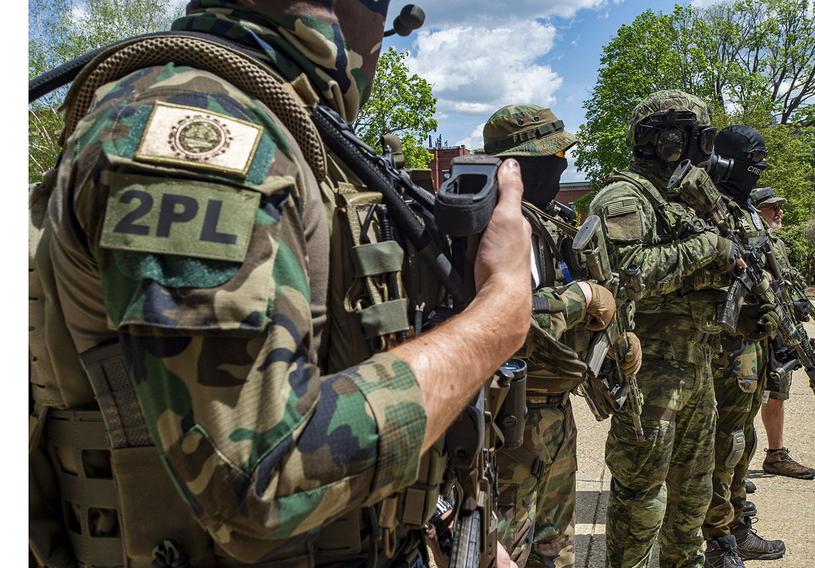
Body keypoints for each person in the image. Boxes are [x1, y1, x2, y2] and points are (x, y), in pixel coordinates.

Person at [28, 2, 531, 567]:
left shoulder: (293, 130)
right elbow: (261, 480)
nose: (382, 36)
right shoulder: (198, 128)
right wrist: (498, 316)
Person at [482, 104, 642, 567]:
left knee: (554, 551)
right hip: (509, 421)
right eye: (554, 156)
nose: (564, 164)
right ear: (520, 165)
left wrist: (617, 337)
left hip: (553, 410)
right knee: (504, 552)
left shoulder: (550, 221)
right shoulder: (498, 228)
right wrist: (585, 297)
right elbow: (513, 320)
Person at [588, 90, 742, 568]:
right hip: (651, 371)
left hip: (696, 363)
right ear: (669, 138)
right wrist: (709, 250)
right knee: (641, 496)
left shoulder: (688, 197)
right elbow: (626, 274)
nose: (703, 149)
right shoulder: (624, 197)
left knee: (695, 492)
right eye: (698, 136)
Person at [699, 126, 786, 568]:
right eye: (753, 163)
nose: (758, 172)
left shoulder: (746, 210)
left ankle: (736, 527)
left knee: (742, 441)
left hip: (750, 348)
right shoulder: (706, 209)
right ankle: (718, 541)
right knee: (722, 444)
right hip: (720, 349)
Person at [753, 187, 815, 480]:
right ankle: (730, 470)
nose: (779, 212)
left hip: (783, 327)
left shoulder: (776, 243)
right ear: (755, 211)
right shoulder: (749, 242)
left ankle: (776, 455)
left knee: (777, 392)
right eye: (772, 207)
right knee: (745, 397)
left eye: (779, 206)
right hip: (756, 330)